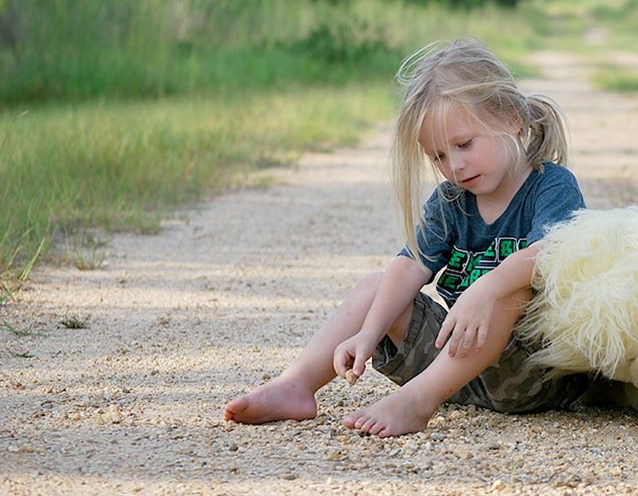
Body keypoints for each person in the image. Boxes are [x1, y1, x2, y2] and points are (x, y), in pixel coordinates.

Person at [223, 36, 589, 437]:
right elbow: (411, 263)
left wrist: (486, 288)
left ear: (510, 118)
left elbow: (551, 252)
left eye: (465, 144)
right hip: (456, 368)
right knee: (375, 289)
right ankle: (296, 385)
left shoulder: (550, 185)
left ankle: (417, 402)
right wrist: (368, 331)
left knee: (512, 290)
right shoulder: (452, 199)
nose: (456, 165)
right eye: (438, 156)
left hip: (532, 376)